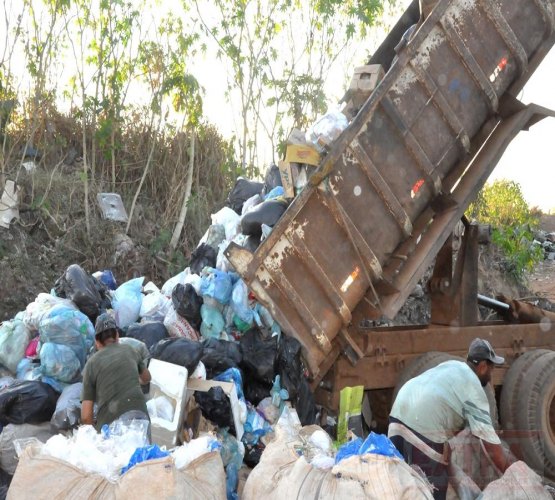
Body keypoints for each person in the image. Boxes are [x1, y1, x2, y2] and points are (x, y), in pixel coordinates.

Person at [388, 338, 515, 499]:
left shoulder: (451, 365)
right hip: (422, 429)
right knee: (433, 491)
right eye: (491, 369)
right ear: (482, 366)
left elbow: (441, 403)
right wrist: (513, 475)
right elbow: (491, 447)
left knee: (402, 486)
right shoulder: (473, 389)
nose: (491, 375)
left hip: (396, 418)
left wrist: (444, 445)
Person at [81, 313, 152, 436]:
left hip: (113, 429)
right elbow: (147, 378)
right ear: (117, 336)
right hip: (142, 421)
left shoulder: (91, 364)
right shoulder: (130, 349)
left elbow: (86, 417)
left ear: (97, 342)